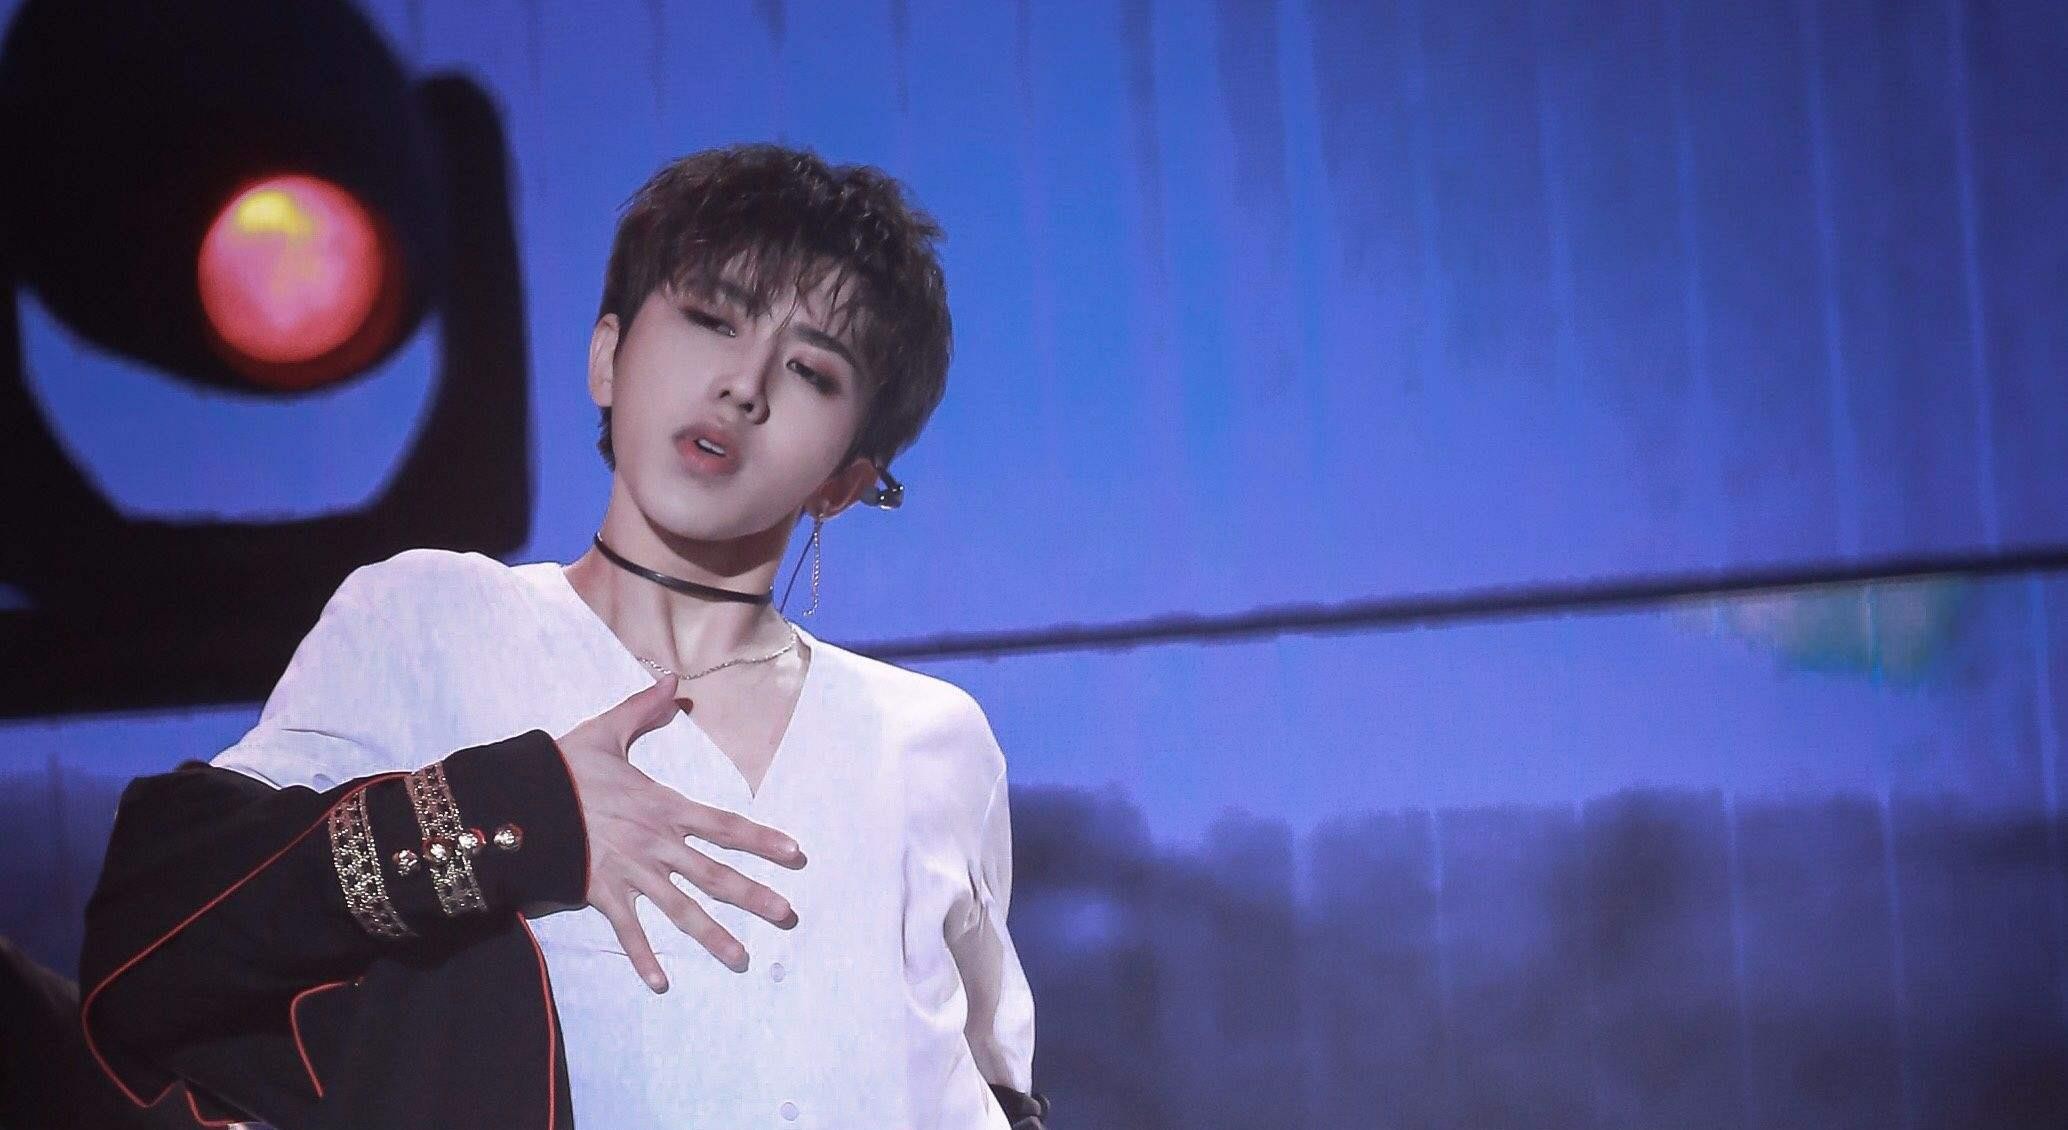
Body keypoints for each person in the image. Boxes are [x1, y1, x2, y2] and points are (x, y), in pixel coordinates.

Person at [76, 144, 1049, 1130]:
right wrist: (516, 811)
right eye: (712, 318)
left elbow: (993, 1079)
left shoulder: (934, 737)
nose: (743, 385)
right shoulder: (429, 618)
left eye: (810, 370)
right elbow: (165, 925)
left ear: (844, 479)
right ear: (605, 358)